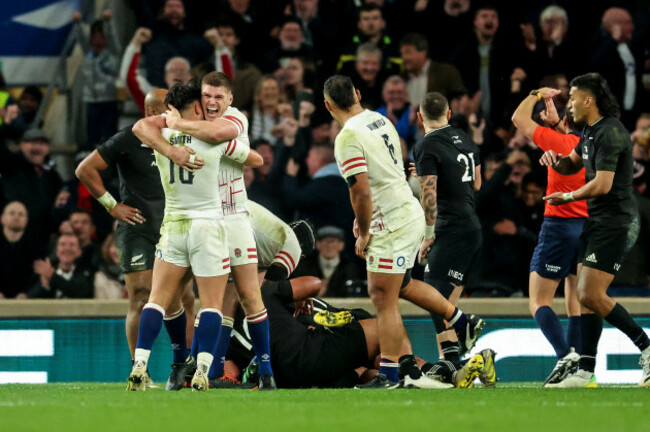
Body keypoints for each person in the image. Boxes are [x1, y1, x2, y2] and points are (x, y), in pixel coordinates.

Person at [324, 75, 483, 389]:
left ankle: (388, 374)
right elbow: (385, 174)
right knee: (404, 284)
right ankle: (462, 320)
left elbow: (362, 192)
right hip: (406, 211)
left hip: (391, 223)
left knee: (383, 298)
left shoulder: (346, 137)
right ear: (357, 94)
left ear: (328, 105)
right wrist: (363, 219)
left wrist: (365, 229)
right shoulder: (379, 120)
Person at [136, 73, 275, 390]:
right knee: (179, 300)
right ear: (198, 100)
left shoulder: (233, 119)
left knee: (249, 295)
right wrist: (174, 148)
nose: (212, 102)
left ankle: (266, 371)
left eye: (218, 97)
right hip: (201, 220)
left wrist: (177, 127)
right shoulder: (183, 125)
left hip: (233, 217)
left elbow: (235, 144)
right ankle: (183, 366)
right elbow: (142, 127)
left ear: (229, 100)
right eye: (206, 96)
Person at [76, 89, 196, 389]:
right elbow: (84, 169)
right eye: (170, 110)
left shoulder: (183, 139)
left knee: (184, 298)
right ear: (152, 112)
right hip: (138, 228)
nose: (175, 116)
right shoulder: (128, 139)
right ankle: (139, 370)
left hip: (176, 227)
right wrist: (112, 206)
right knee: (141, 297)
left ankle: (186, 366)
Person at [540, 73, 650, 388]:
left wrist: (569, 196)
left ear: (589, 99)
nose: (568, 104)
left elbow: (603, 184)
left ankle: (646, 347)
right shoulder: (590, 131)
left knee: (589, 292)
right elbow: (570, 165)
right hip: (597, 220)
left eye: (572, 98)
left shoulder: (612, 132)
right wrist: (553, 160)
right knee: (584, 296)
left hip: (617, 222)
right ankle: (585, 370)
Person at [511, 87, 587, 386]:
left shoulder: (557, 141)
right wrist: (558, 124)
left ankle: (564, 354)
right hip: (587, 227)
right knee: (575, 301)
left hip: (559, 225)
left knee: (538, 300)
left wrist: (536, 93)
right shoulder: (594, 143)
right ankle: (579, 370)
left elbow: (518, 118)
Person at [412, 92, 482, 365]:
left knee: (432, 294)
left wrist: (428, 236)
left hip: (451, 228)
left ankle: (457, 346)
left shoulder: (426, 146)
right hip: (471, 227)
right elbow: (476, 184)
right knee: (443, 300)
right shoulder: (466, 140)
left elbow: (428, 196)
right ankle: (452, 361)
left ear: (420, 117)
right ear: (449, 114)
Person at [0, 128, 63, 244]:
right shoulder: (12, 165)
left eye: (42, 143)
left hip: (39, 237)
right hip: (10, 234)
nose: (37, 147)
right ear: (22, 146)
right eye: (32, 142)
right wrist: (8, 126)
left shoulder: (53, 176)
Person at [293, 225, 362, 297]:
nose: (329, 245)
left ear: (341, 245)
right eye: (325, 241)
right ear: (318, 244)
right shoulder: (304, 267)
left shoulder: (351, 269)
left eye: (332, 241)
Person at [400, 33, 464, 107]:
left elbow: (460, 100)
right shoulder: (402, 78)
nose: (404, 58)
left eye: (408, 53)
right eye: (402, 54)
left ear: (422, 53)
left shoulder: (446, 72)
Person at [28, 233, 94, 299]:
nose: (67, 248)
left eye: (72, 245)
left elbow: (79, 293)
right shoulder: (46, 272)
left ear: (79, 252)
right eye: (63, 244)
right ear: (57, 251)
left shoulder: (86, 271)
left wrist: (52, 277)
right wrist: (45, 287)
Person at [0, 201, 38, 299]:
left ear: (26, 220)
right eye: (12, 213)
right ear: (2, 218)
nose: (16, 217)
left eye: (21, 214)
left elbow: (39, 279)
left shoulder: (36, 248)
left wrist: (27, 294)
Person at [94, 233, 125, 299]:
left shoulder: (137, 274)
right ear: (108, 249)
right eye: (115, 246)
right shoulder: (101, 276)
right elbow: (101, 305)